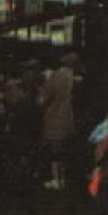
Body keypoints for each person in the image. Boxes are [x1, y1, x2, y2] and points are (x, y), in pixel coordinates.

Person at [38, 52, 80, 191]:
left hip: (54, 118)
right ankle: (63, 179)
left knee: (54, 152)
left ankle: (56, 179)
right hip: (69, 118)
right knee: (64, 152)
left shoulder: (56, 76)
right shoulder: (73, 78)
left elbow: (43, 100)